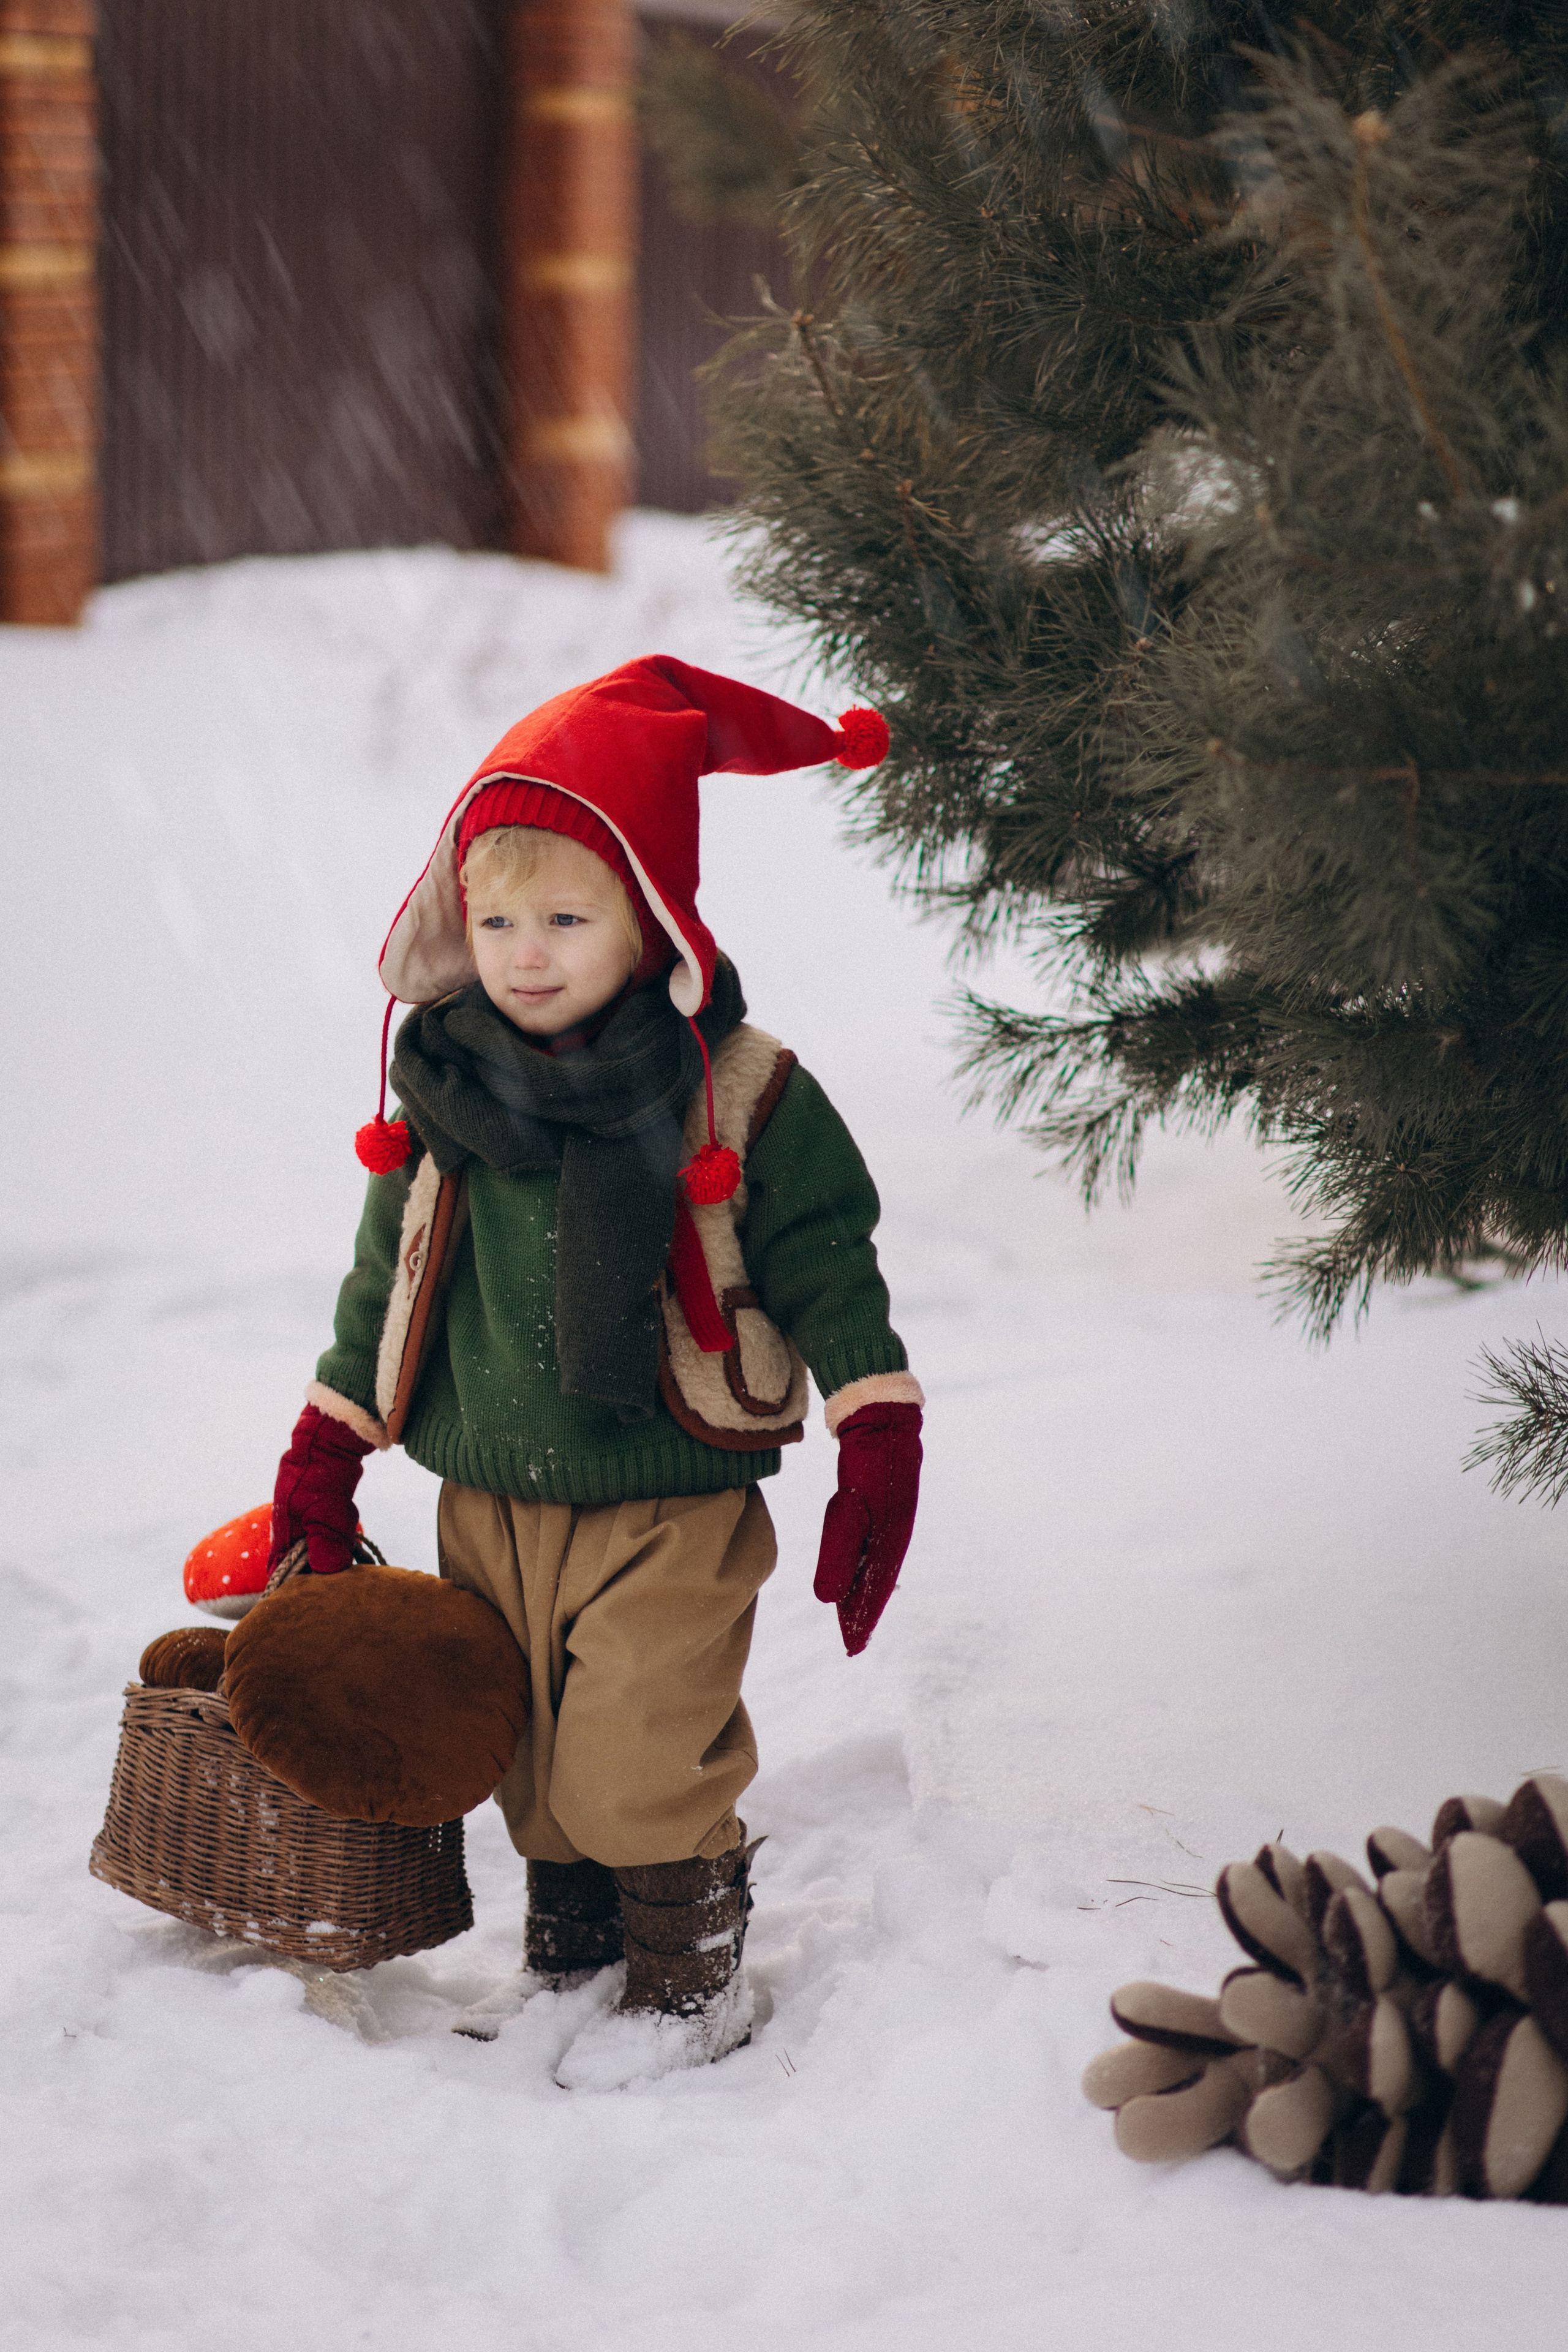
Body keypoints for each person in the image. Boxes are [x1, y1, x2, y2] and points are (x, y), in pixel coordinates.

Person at [267, 655, 923, 2084]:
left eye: (566, 916)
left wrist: (875, 1418)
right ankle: (571, 1957)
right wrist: (329, 1438)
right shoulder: (446, 1090)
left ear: (651, 919)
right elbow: (389, 1279)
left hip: (667, 1489)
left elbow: (823, 1251)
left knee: (638, 1740)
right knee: (529, 1747)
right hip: (486, 1485)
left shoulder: (738, 1088)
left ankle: (691, 1976)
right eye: (495, 918)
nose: (525, 950)